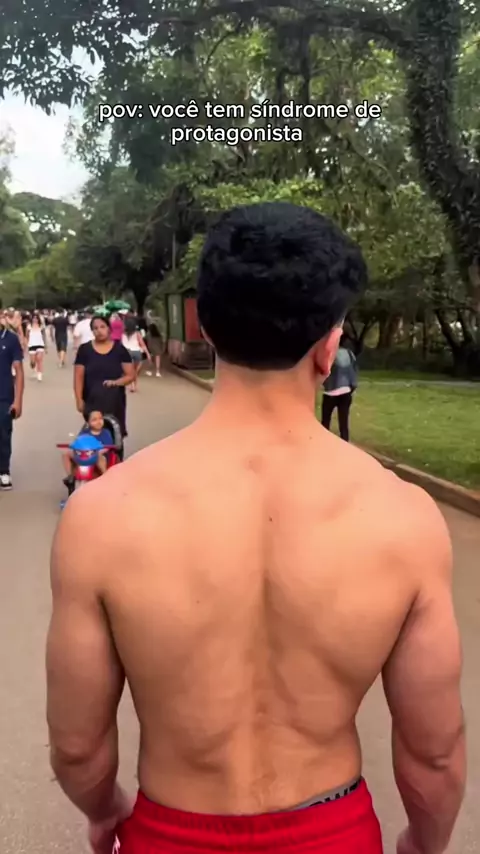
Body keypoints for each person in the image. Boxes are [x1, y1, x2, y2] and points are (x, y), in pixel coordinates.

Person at [47, 203, 464, 854]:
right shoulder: (404, 518)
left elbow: (78, 747)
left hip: (169, 833)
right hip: (334, 836)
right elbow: (434, 754)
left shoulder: (101, 515)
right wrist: (423, 844)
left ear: (209, 328)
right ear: (329, 346)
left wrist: (106, 811)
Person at [73, 315, 134, 457]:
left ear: (109, 329)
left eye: (102, 327)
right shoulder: (85, 350)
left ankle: (115, 464)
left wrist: (116, 382)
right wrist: (78, 399)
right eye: (95, 328)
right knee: (94, 434)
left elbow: (130, 375)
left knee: (115, 435)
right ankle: (94, 464)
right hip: (92, 401)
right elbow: (78, 377)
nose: (99, 331)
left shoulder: (120, 350)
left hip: (115, 402)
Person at [62, 408, 112, 496]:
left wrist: (99, 451)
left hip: (97, 455)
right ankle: (70, 478)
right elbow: (78, 442)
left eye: (100, 418)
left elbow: (108, 446)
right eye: (94, 420)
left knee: (100, 458)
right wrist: (73, 445)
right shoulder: (84, 433)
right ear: (88, 423)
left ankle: (105, 477)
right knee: (66, 453)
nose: (98, 421)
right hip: (83, 456)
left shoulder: (106, 433)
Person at [0, 309, 24, 490]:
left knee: (3, 434)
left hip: (4, 396)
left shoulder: (11, 339)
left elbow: (19, 371)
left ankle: (4, 471)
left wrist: (18, 401)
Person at [321, 334, 358, 442]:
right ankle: (345, 444)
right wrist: (352, 386)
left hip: (330, 392)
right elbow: (354, 371)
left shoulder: (329, 353)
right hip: (346, 391)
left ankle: (322, 444)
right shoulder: (350, 354)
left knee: (325, 422)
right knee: (344, 422)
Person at [122, 314, 150, 392]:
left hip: (126, 353)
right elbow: (142, 344)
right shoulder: (137, 333)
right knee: (135, 371)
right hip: (137, 352)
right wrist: (147, 353)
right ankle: (135, 386)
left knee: (129, 371)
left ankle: (132, 386)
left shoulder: (122, 333)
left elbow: (120, 344)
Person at [26, 312, 47, 381]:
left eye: (36, 318)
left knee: (39, 359)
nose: (35, 319)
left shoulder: (41, 326)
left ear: (38, 319)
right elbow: (27, 336)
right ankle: (34, 369)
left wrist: (46, 346)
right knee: (33, 362)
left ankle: (39, 374)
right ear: (32, 319)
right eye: (34, 318)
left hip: (40, 344)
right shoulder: (29, 326)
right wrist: (26, 344)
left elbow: (44, 337)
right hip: (32, 345)